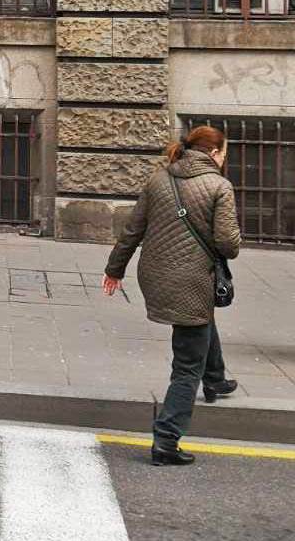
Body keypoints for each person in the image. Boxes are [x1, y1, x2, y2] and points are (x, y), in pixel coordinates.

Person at [103, 125, 241, 466]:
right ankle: (166, 439)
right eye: (224, 153)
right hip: (190, 279)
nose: (225, 159)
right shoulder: (220, 187)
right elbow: (228, 245)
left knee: (199, 318)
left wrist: (114, 270)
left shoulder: (159, 178)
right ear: (213, 153)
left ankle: (216, 379)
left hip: (155, 275)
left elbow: (133, 228)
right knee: (185, 365)